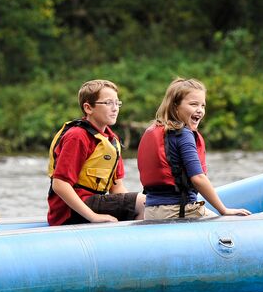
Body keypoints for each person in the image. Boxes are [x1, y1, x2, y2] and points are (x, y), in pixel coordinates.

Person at [137, 77, 250, 220]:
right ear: (175, 106)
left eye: (203, 105)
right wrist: (224, 210)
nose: (200, 110)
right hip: (178, 210)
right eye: (193, 104)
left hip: (152, 211)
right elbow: (198, 178)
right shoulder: (183, 134)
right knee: (231, 223)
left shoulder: (156, 131)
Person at [46, 79, 144, 226]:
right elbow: (59, 184)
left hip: (95, 203)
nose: (115, 108)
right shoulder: (77, 136)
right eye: (108, 103)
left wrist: (132, 204)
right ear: (88, 108)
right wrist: (93, 216)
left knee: (148, 203)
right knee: (145, 203)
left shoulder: (112, 141)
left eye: (117, 103)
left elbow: (117, 188)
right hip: (69, 211)